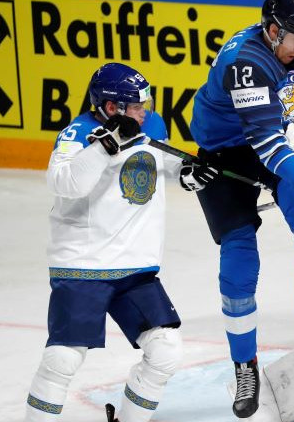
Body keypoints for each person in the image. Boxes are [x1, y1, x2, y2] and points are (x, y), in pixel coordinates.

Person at [188, 0, 294, 418]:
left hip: (278, 134)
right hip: (225, 148)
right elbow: (265, 146)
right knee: (239, 252)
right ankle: (246, 365)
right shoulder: (246, 62)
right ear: (273, 31)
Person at [24, 63, 217, 422]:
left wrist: (185, 174)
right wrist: (106, 145)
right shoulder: (78, 132)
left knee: (165, 351)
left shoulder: (151, 125)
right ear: (112, 108)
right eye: (138, 106)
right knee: (62, 359)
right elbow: (65, 183)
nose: (146, 112)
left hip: (136, 268)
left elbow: (159, 160)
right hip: (84, 265)